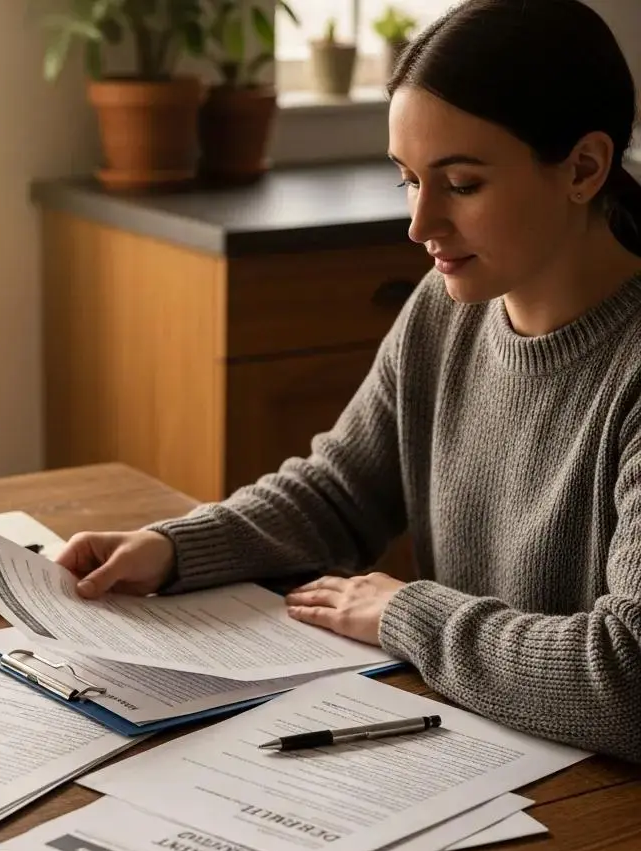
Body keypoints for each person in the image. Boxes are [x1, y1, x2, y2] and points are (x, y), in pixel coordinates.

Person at [55, 0, 641, 764]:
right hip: (479, 758)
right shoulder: (445, 310)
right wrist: (173, 548)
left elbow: (627, 679)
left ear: (583, 168)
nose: (419, 223)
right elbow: (339, 493)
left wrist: (407, 614)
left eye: (460, 184)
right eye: (407, 179)